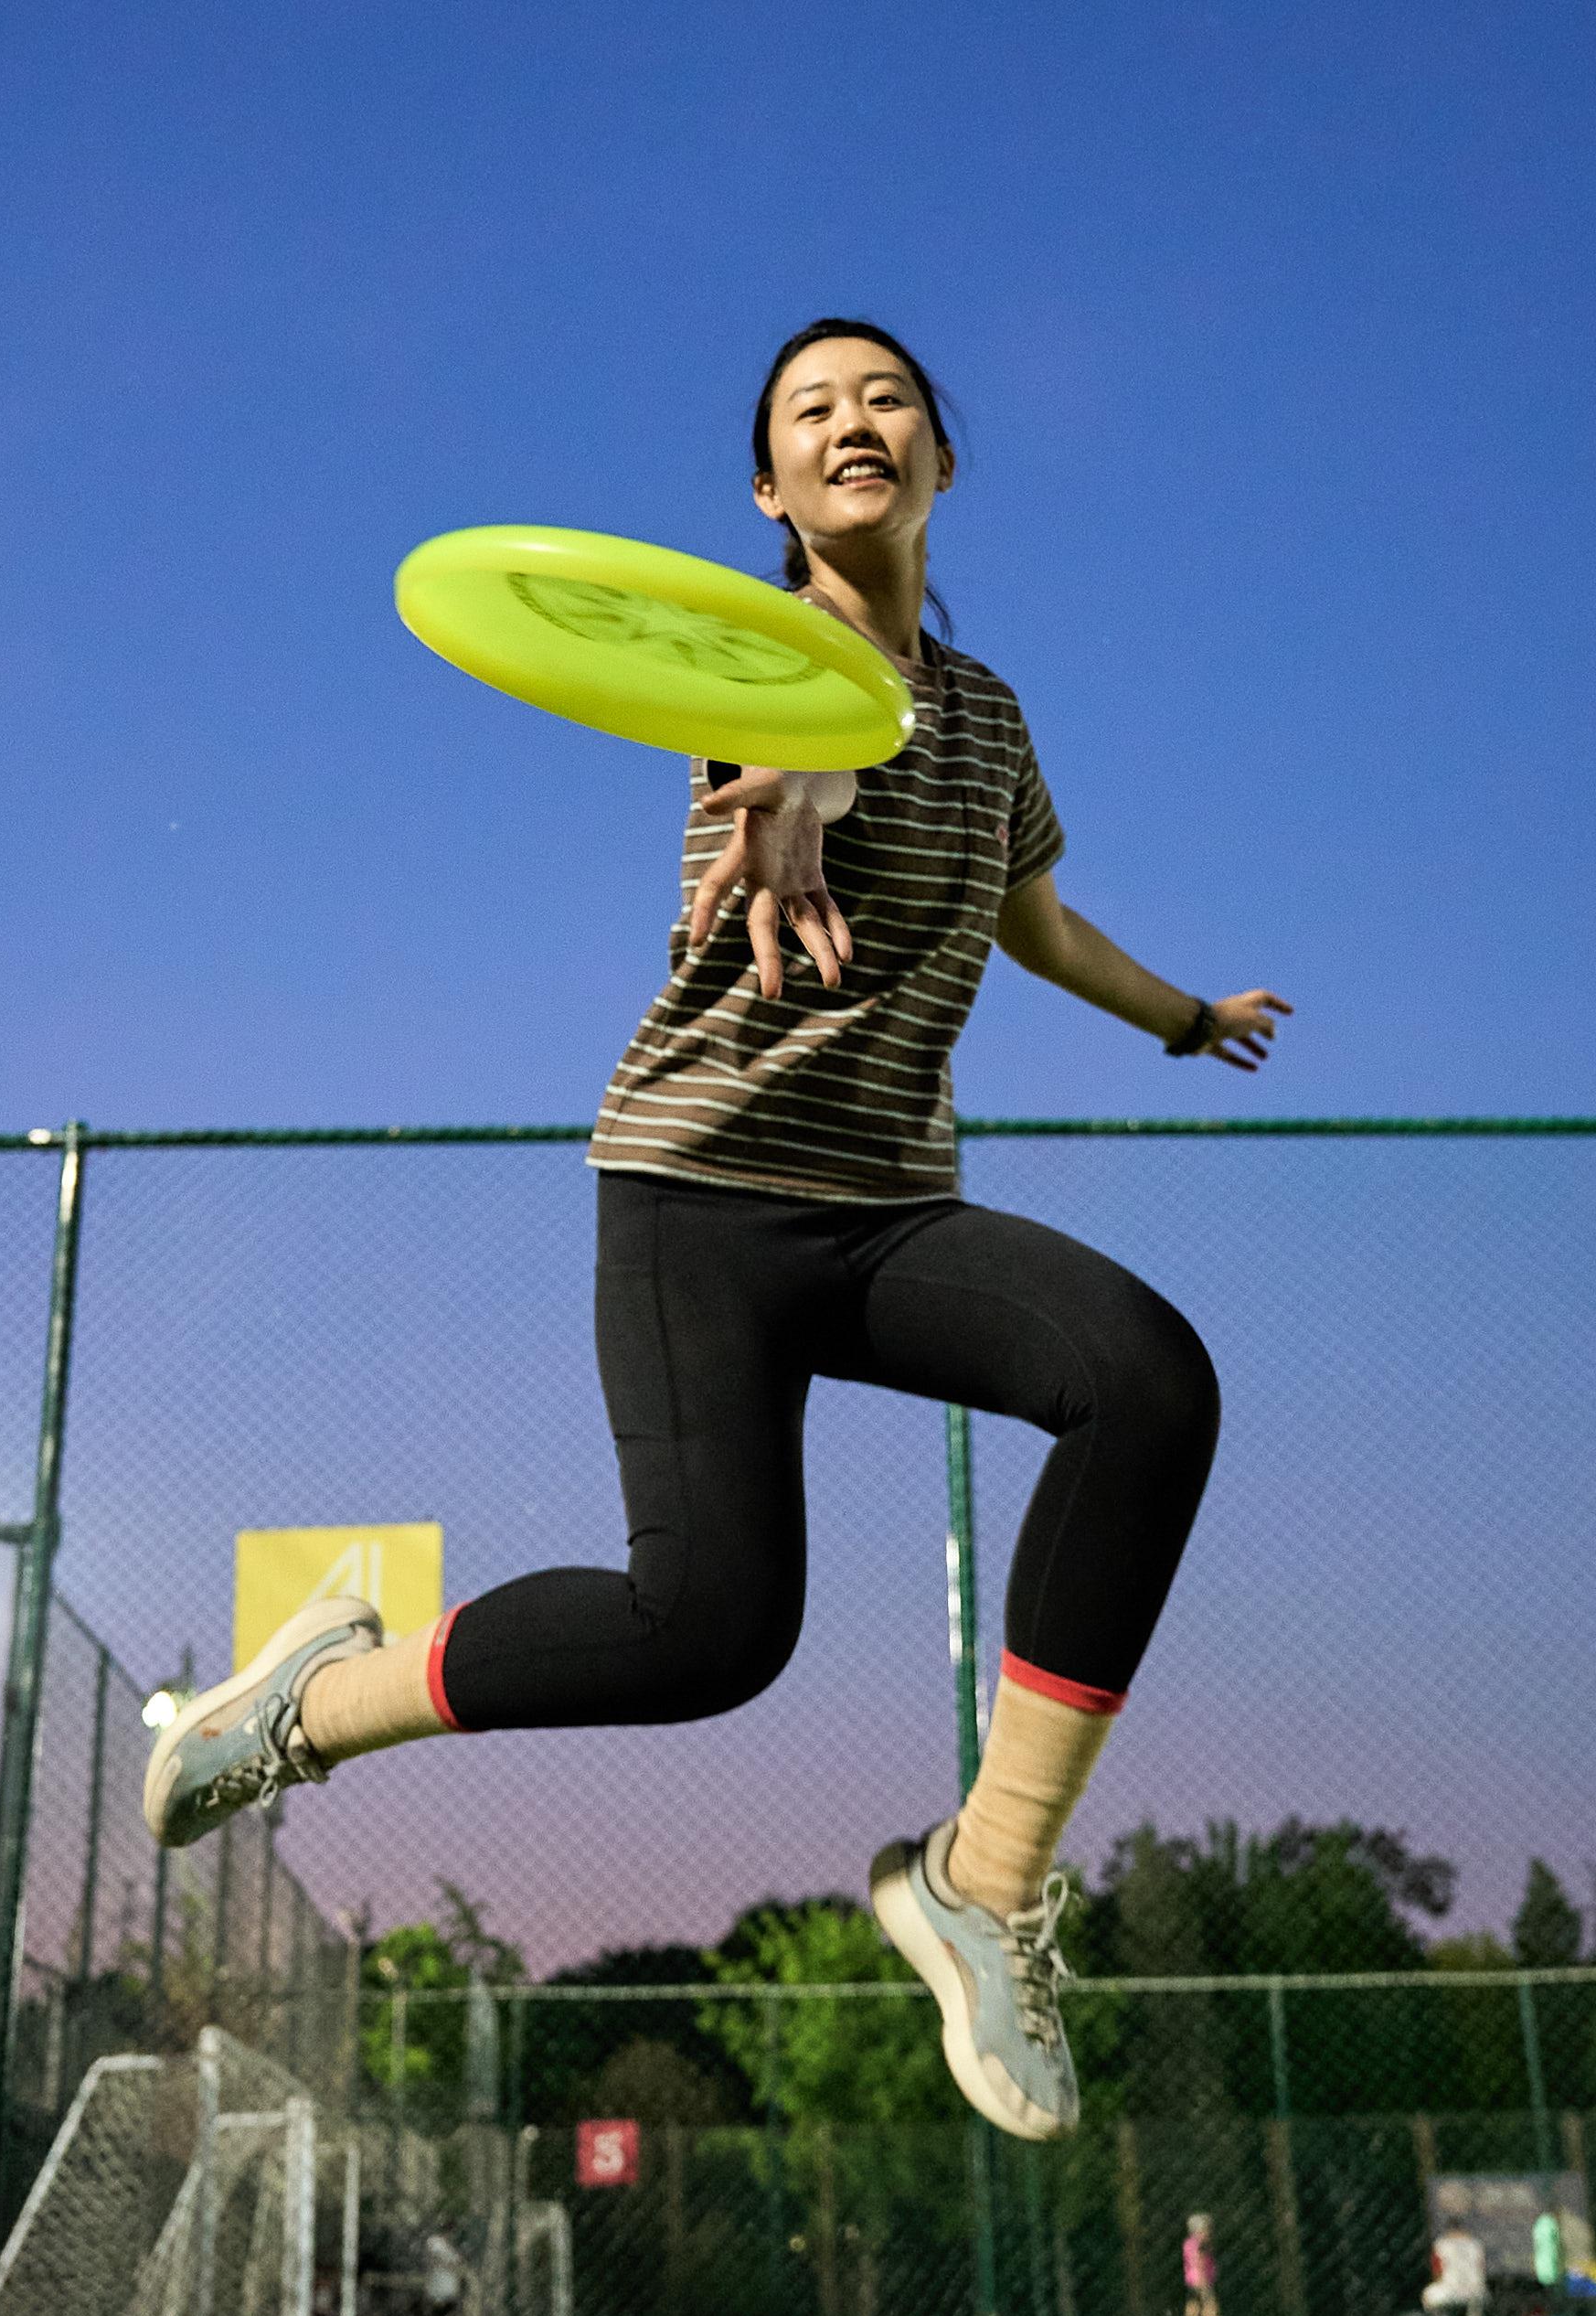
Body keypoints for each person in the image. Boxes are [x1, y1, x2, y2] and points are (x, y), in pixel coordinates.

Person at [144, 317, 1292, 2143]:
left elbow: (1037, 918)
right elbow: (798, 754)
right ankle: (308, 1709)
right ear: (772, 490)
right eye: (810, 412)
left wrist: (1181, 1019)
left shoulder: (989, 708)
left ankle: (981, 1883)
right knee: (708, 1633)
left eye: (885, 397)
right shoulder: (759, 672)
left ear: (937, 458)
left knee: (1147, 1382)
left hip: (888, 1209)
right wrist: (792, 801)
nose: (854, 420)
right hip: (701, 1199)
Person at [1422, 2216, 1488, 2316]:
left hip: (1449, 2291)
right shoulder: (1475, 2244)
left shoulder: (1440, 2244)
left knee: (1427, 2296)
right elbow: (1482, 2269)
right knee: (1475, 2309)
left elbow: (1437, 2273)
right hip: (1476, 2291)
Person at [1182, 2212, 1220, 2316]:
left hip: (1192, 2279)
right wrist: (1203, 2280)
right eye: (1206, 2229)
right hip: (1201, 2279)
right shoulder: (1199, 2245)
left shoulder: (1188, 2244)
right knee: (1208, 2304)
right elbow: (1199, 2263)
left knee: (1193, 2304)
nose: (1209, 2232)